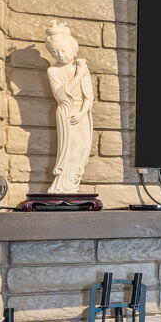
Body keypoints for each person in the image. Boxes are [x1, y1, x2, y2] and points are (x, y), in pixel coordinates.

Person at [43, 21, 94, 193]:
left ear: (74, 49)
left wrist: (81, 114)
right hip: (66, 112)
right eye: (54, 52)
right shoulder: (53, 71)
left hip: (81, 114)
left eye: (63, 50)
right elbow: (62, 95)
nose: (60, 55)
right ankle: (61, 187)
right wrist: (78, 75)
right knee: (68, 150)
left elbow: (89, 97)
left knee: (81, 149)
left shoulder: (82, 69)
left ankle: (72, 185)